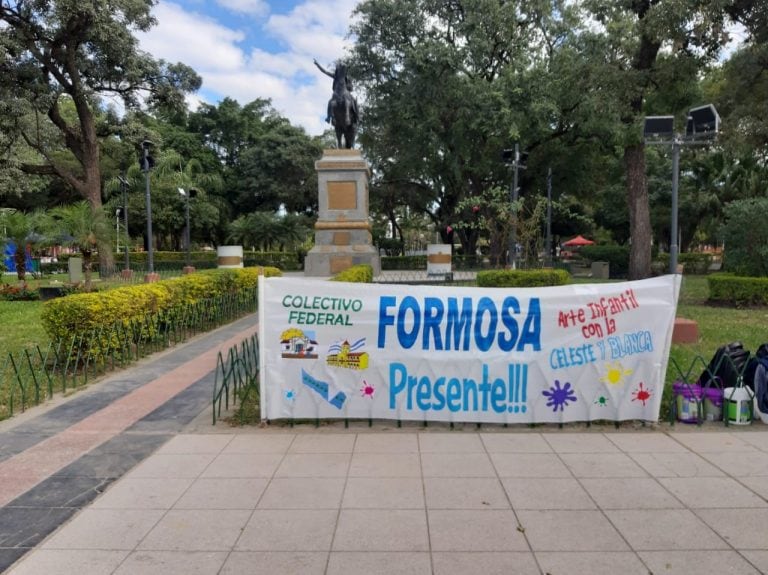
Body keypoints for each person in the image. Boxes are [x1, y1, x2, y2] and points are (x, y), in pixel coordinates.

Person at [314, 58, 358, 125]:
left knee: (354, 101)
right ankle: (329, 117)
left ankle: (357, 116)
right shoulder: (335, 76)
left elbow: (351, 88)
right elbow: (325, 71)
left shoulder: (348, 78)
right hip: (336, 94)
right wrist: (318, 65)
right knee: (330, 102)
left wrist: (348, 87)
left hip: (346, 93)